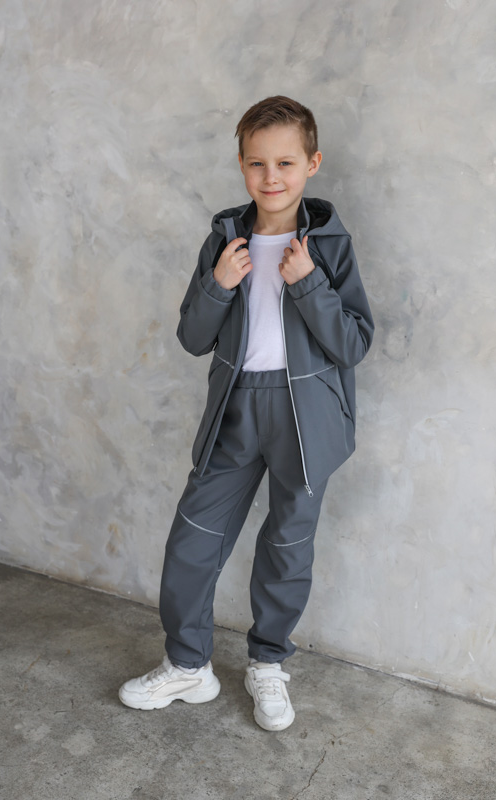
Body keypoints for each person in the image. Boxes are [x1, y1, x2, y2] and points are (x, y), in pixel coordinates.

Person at [119, 96, 374, 731]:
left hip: (305, 419)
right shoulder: (224, 241)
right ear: (241, 165)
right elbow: (192, 336)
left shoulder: (329, 246)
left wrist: (308, 282)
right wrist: (219, 283)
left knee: (288, 545)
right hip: (236, 411)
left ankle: (268, 663)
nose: (271, 176)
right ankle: (188, 665)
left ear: (312, 163)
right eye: (257, 163)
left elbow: (353, 344)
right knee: (192, 541)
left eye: (285, 162)